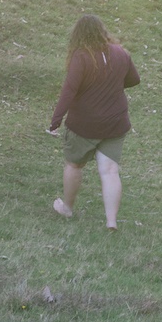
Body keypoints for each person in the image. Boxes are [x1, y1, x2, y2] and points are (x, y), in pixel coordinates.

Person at [47, 13, 139, 230]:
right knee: (109, 171)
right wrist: (111, 86)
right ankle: (111, 222)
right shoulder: (121, 53)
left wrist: (56, 120)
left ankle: (67, 208)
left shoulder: (81, 57)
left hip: (84, 125)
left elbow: (69, 91)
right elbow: (134, 80)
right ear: (103, 31)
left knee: (74, 164)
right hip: (115, 123)